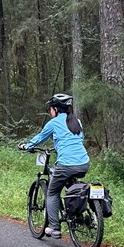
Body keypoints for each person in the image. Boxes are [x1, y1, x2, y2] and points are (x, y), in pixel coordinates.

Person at [19, 93, 89, 238]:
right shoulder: (77, 122)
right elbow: (77, 139)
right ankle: (76, 215)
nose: (50, 111)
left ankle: (55, 227)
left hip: (66, 164)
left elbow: (40, 138)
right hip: (83, 163)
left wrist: (26, 146)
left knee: (52, 193)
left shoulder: (54, 122)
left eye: (51, 108)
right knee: (71, 186)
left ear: (56, 109)